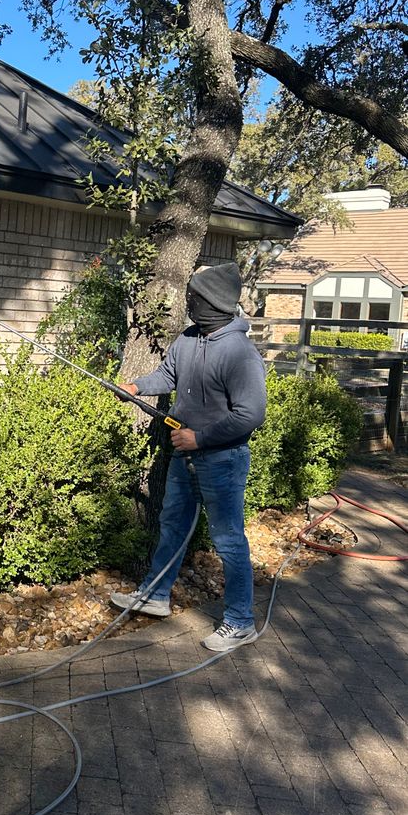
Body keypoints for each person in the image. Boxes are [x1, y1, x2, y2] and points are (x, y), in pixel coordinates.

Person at [110, 262, 268, 652]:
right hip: (187, 457)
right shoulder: (188, 339)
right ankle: (156, 596)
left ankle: (240, 621)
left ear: (212, 302)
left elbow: (251, 414)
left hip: (223, 460)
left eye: (195, 297)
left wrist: (200, 438)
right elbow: (168, 376)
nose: (189, 303)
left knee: (229, 541)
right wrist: (137, 385)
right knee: (173, 526)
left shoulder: (239, 352)